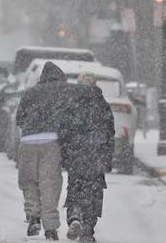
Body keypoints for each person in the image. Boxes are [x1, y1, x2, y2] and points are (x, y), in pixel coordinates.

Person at [13, 61, 70, 240]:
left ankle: (33, 217)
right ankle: (51, 227)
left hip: (28, 142)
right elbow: (69, 118)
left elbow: (19, 118)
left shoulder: (30, 92)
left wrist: (30, 129)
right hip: (51, 142)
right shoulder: (62, 93)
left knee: (29, 181)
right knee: (50, 183)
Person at [61, 73, 115, 242]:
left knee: (75, 187)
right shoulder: (102, 104)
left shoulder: (71, 102)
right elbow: (109, 133)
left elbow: (64, 130)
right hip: (96, 155)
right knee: (94, 194)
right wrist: (107, 157)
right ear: (95, 84)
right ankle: (87, 231)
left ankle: (75, 216)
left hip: (76, 154)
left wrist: (65, 154)